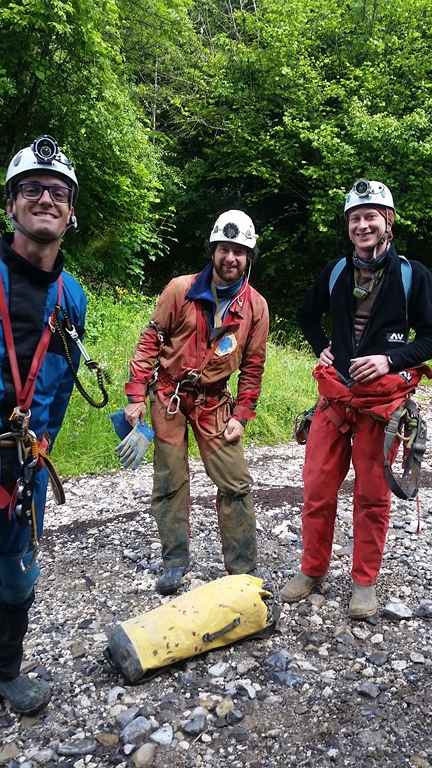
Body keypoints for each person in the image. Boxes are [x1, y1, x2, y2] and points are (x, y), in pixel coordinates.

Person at [281, 179, 432, 619]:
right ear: (348, 227)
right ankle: (312, 570)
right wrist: (321, 346)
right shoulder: (336, 272)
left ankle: (364, 581)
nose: (363, 225)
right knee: (317, 488)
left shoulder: (413, 276)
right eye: (355, 218)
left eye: (371, 216)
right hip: (335, 399)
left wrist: (390, 360)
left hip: (381, 407)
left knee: (371, 495)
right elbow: (307, 315)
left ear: (389, 221)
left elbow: (429, 336)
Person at [124, 210, 269, 595]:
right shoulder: (180, 289)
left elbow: (253, 366)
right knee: (170, 479)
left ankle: (241, 570)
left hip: (215, 402)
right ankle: (174, 560)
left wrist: (242, 414)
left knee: (236, 483)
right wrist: (136, 395)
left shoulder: (256, 307)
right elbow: (150, 340)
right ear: (213, 250)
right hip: (169, 397)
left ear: (248, 257)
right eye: (224, 248)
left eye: (239, 251)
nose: (231, 258)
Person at [0, 135, 86, 713]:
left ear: (71, 213)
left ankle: (7, 671)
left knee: (17, 572)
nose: (46, 200)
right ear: (11, 205)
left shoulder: (70, 298)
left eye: (58, 193)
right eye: (32, 189)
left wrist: (41, 443)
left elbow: (59, 384)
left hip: (26, 460)